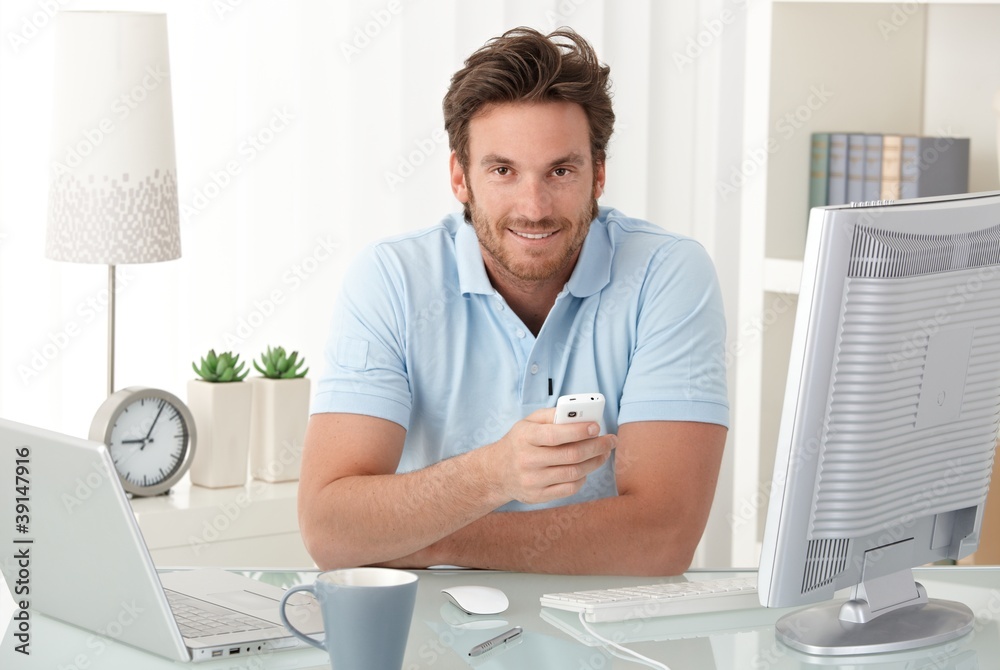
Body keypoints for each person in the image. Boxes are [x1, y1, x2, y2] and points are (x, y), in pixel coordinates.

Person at [298, 27, 729, 575]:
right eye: (503, 170)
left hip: (608, 640)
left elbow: (662, 540)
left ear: (598, 175)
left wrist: (438, 540)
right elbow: (330, 530)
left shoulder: (666, 274)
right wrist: (492, 474)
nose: (534, 206)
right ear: (460, 177)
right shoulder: (391, 279)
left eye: (561, 171)